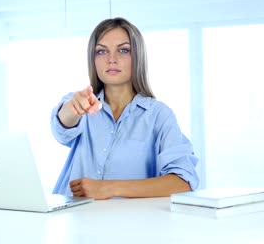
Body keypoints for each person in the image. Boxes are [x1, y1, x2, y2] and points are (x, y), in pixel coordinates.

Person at [50, 17, 199, 200]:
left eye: (123, 50)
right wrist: (71, 110)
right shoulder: (80, 103)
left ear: (138, 56)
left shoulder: (159, 116)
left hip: (129, 224)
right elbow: (61, 127)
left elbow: (183, 182)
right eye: (101, 51)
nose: (111, 59)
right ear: (93, 59)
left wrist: (110, 188)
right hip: (71, 220)